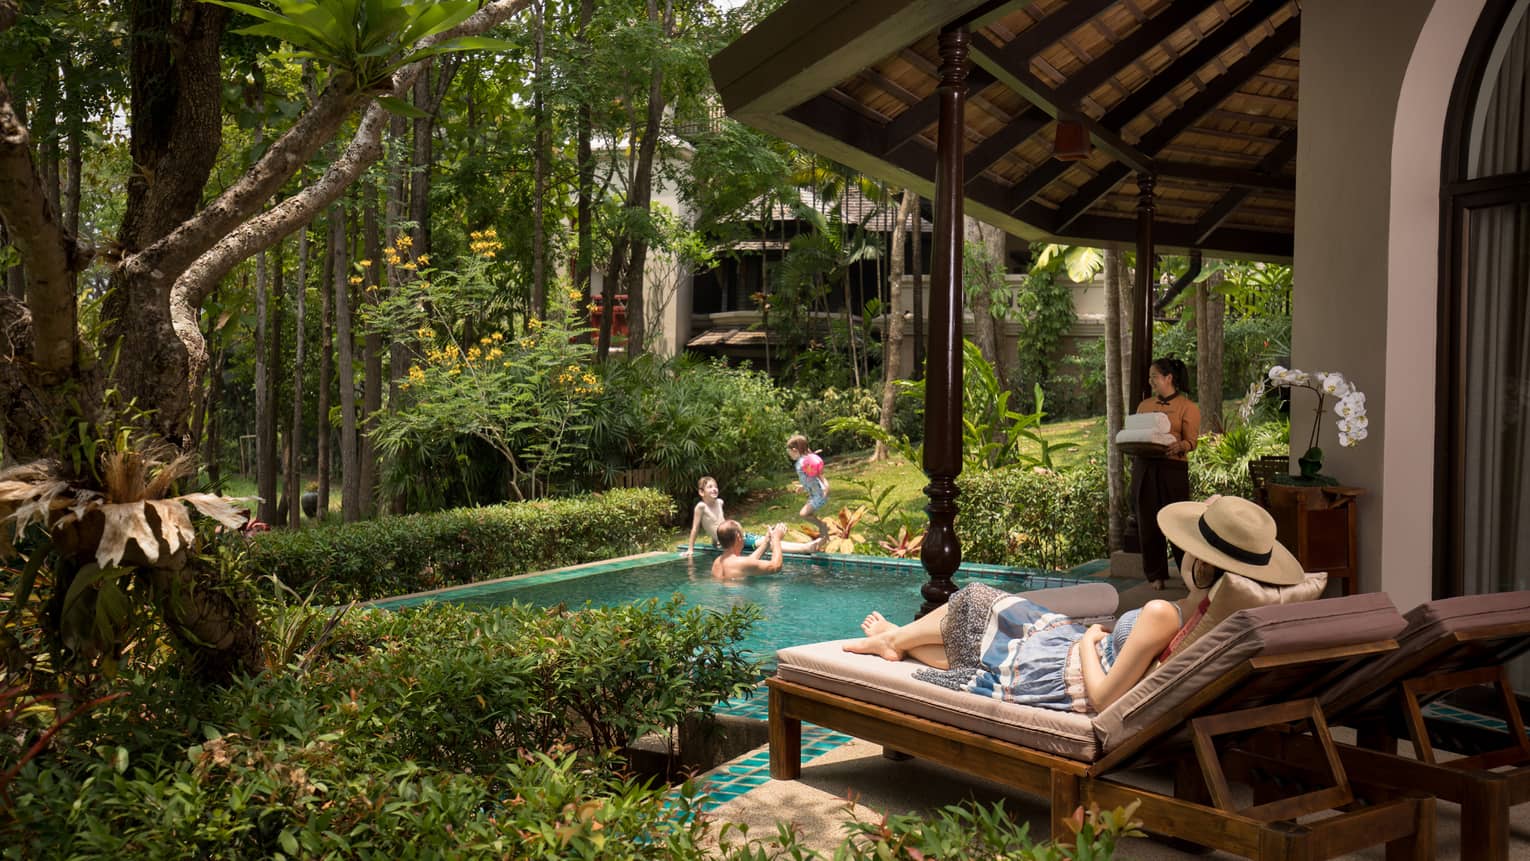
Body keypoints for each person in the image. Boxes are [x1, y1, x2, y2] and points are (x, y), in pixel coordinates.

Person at [844, 495, 1304, 713]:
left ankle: (893, 639)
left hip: (1069, 672)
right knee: (985, 624)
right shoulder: (1219, 616)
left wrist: (1089, 639)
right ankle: (895, 643)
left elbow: (1105, 698)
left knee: (978, 598)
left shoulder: (1164, 614)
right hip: (1065, 656)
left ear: (1199, 562)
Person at [1132, 356, 1201, 590]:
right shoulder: (1144, 406)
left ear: (1168, 378)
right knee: (1148, 521)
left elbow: (1192, 441)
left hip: (1172, 469)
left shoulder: (1188, 408)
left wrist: (1180, 446)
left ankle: (1188, 572)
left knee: (1178, 521)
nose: (1151, 381)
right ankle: (1155, 575)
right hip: (1145, 467)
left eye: (1154, 376)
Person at [682, 476, 821, 556]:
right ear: (701, 492)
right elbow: (696, 529)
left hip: (735, 536)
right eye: (710, 487)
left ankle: (805, 547)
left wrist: (717, 542)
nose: (714, 489)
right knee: (767, 543)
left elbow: (720, 523)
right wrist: (690, 549)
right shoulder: (701, 507)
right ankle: (806, 548)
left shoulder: (719, 502)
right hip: (730, 540)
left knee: (767, 543)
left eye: (715, 486)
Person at [712, 519, 791, 578]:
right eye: (743, 536)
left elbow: (748, 563)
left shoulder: (717, 562)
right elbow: (776, 566)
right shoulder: (741, 563)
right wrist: (776, 539)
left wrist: (766, 542)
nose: (744, 538)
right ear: (738, 537)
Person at [787, 434, 829, 541]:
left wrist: (826, 486)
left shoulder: (805, 462)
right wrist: (803, 486)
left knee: (804, 514)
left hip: (819, 495)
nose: (789, 455)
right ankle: (824, 535)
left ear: (795, 450)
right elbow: (809, 477)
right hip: (814, 495)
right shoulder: (802, 461)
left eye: (790, 452)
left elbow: (819, 474)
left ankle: (823, 527)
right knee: (807, 514)